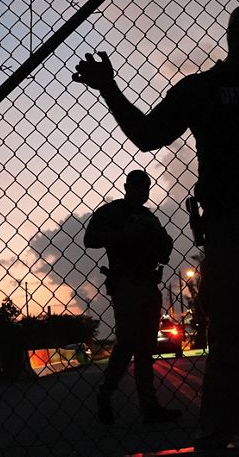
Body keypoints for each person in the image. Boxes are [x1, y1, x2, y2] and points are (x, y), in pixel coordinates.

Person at [72, 3, 239, 449]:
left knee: (233, 334)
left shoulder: (209, 88)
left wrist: (110, 89)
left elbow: (146, 134)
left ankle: (221, 434)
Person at [84, 170, 183, 425]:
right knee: (127, 343)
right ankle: (105, 395)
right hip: (126, 283)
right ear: (127, 187)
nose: (142, 191)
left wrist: (155, 235)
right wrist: (124, 233)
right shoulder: (113, 212)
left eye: (145, 187)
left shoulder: (150, 217)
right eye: (137, 186)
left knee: (145, 349)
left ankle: (149, 408)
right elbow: (90, 239)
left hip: (149, 283)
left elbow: (165, 250)